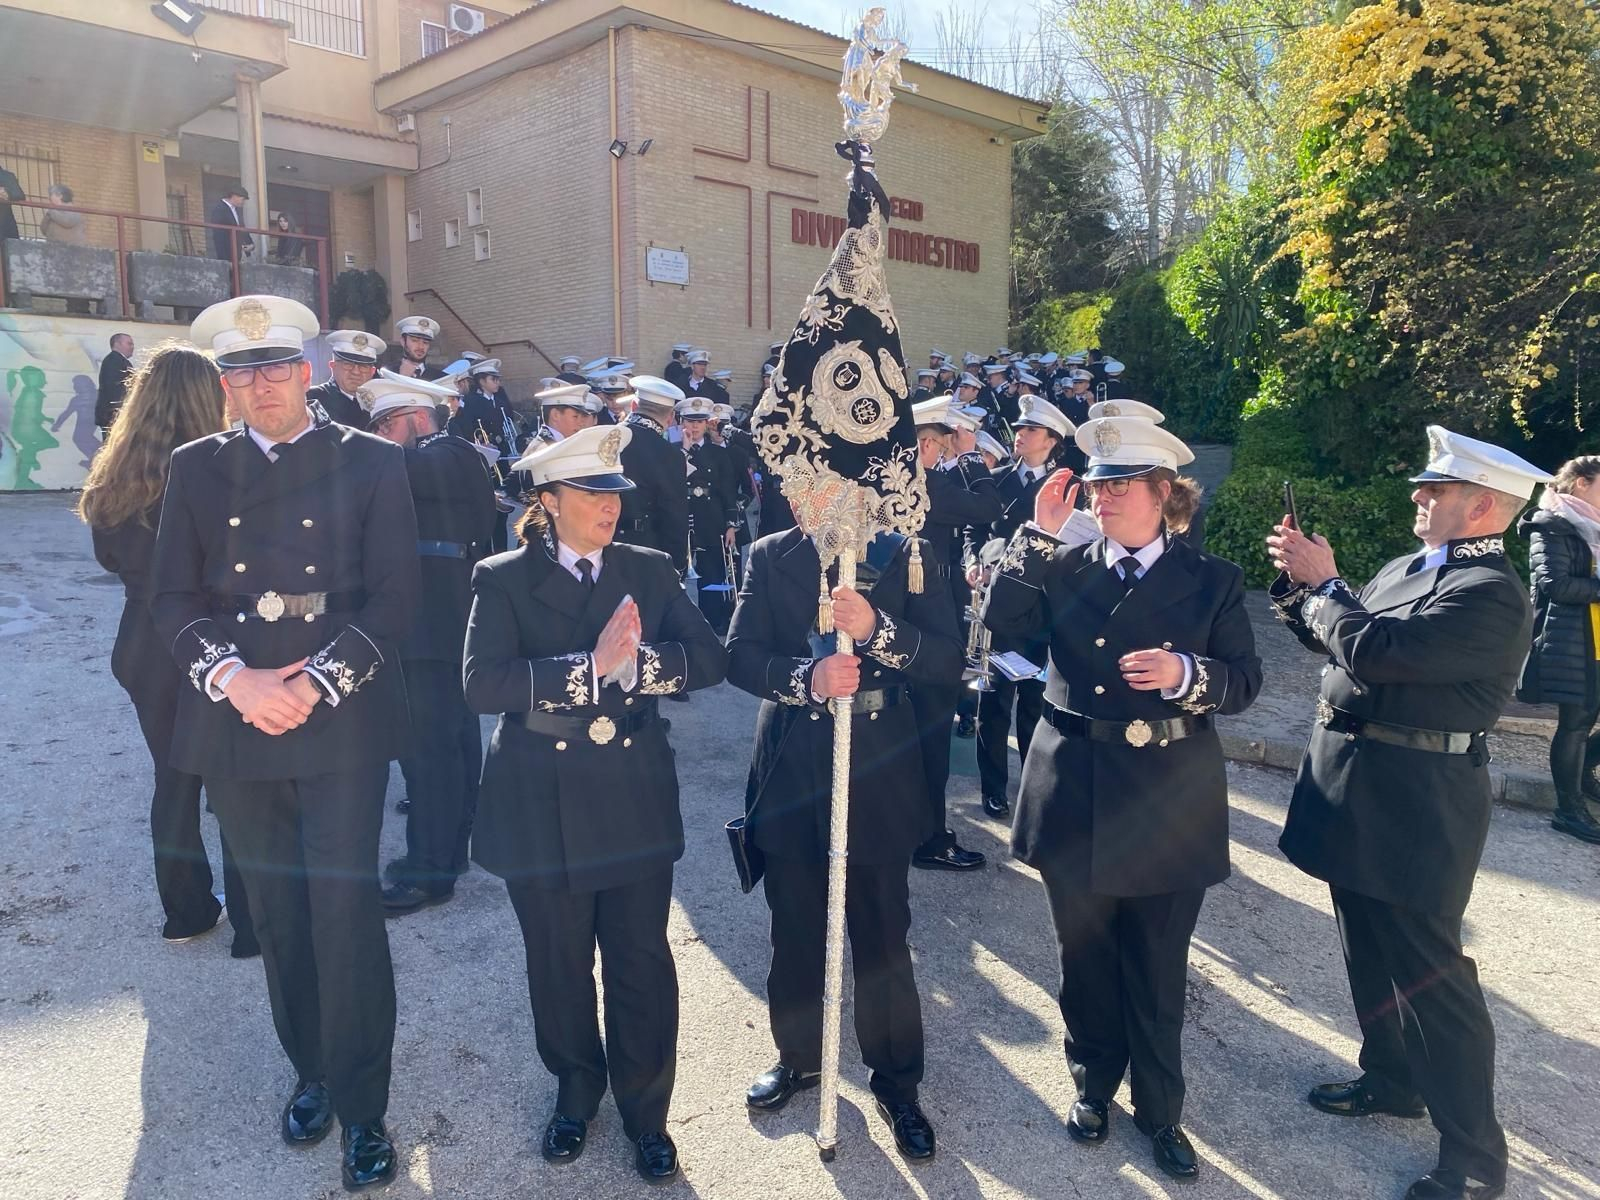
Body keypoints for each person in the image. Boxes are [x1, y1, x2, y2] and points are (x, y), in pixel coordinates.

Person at [149, 294, 420, 1192]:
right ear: (224, 384)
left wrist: (315, 682)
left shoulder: (373, 462)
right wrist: (237, 681)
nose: (259, 385)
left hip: (336, 715)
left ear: (306, 373)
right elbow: (171, 600)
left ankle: (365, 1105)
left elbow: (395, 600)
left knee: (344, 915)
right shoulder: (194, 468)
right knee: (275, 911)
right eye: (240, 371)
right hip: (238, 718)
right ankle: (311, 1071)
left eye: (273, 367)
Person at [1266, 425, 1551, 1200]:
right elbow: (1343, 641)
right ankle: (1391, 1078)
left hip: (1419, 799)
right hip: (1358, 783)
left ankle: (1474, 1158)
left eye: (1437, 489)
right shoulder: (1409, 566)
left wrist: (1328, 588)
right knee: (1366, 946)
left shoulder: (1490, 592)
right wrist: (1303, 591)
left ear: (1483, 505)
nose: (1420, 497)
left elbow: (1380, 652)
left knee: (1433, 976)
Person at [983, 414, 1260, 1182]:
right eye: (1096, 484)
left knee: (1159, 960)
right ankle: (1092, 1086)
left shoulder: (1212, 580)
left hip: (1169, 795)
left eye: (1119, 485)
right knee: (1084, 955)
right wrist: (1034, 542)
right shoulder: (1066, 566)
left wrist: (1184, 677)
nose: (1100, 497)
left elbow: (1245, 682)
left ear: (1163, 493)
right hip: (1074, 780)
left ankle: (1161, 1108)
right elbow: (1002, 633)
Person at [463, 424, 725, 1183]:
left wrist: (635, 668)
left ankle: (647, 1111)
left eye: (614, 493)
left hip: (632, 790)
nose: (609, 507)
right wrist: (588, 669)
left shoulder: (648, 568)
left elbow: (710, 658)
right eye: (590, 492)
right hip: (538, 794)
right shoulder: (502, 576)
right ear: (548, 500)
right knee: (559, 961)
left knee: (641, 960)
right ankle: (576, 1089)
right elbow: (482, 684)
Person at [727, 516, 960, 1164]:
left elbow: (947, 658)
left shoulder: (908, 550)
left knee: (883, 934)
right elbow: (740, 656)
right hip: (794, 765)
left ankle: (897, 1085)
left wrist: (876, 633)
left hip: (879, 763)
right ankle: (800, 1058)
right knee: (795, 929)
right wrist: (809, 677)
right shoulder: (774, 552)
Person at [77, 344, 256, 956]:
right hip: (212, 638)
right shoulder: (221, 468)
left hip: (142, 643)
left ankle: (185, 911)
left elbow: (107, 556)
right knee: (235, 777)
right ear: (210, 397)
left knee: (174, 778)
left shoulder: (117, 470)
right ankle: (254, 924)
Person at [359, 371, 498, 913]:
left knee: (427, 751)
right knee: (454, 738)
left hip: (427, 619)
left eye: (384, 425)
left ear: (417, 417)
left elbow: (378, 471)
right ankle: (452, 847)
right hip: (442, 615)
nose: (381, 438)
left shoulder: (441, 452)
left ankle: (429, 870)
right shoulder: (446, 454)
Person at [973, 397, 1075, 819]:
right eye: (1018, 428)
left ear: (1051, 440)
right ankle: (993, 788)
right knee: (993, 705)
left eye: (1031, 430)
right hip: (999, 604)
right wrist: (974, 561)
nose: (1020, 435)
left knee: (1036, 704)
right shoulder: (996, 478)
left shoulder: (1070, 487)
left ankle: (1035, 787)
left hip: (1040, 611)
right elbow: (973, 529)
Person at [908, 395, 998, 872]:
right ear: (927, 444)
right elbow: (988, 504)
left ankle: (904, 828)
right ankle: (929, 838)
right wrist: (968, 453)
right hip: (932, 624)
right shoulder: (929, 485)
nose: (945, 455)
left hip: (900, 623)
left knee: (902, 738)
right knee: (931, 739)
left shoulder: (889, 481)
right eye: (941, 446)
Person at [1518, 455, 1600, 843]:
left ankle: (1583, 775)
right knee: (1576, 724)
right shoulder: (1551, 524)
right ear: (1582, 482)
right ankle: (1568, 809)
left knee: (1582, 726)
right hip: (1574, 640)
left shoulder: (1595, 526)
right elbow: (1555, 585)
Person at [613, 375, 690, 574]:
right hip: (645, 549)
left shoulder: (602, 438)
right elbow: (675, 514)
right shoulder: (670, 454)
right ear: (671, 417)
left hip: (597, 545)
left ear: (633, 405)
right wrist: (678, 563)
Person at [678, 394, 740, 632]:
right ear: (682, 422)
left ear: (707, 424)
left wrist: (731, 524)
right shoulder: (674, 451)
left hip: (712, 522)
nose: (694, 426)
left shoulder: (718, 454)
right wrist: (684, 451)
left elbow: (728, 489)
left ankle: (712, 622)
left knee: (713, 576)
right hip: (683, 521)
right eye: (689, 421)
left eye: (700, 421)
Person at [307, 330, 385, 428]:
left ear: (372, 371)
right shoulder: (312, 400)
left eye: (363, 366)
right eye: (347, 364)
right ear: (332, 366)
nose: (356, 372)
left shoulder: (381, 405)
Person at [95, 332, 135, 434]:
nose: (132, 347)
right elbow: (115, 389)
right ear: (117, 344)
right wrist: (121, 414)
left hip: (115, 416)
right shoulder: (114, 361)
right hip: (113, 417)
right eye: (129, 343)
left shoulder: (119, 360)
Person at [208, 186, 253, 263]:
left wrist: (250, 244)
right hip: (227, 256)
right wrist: (225, 261)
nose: (243, 202)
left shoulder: (237, 210)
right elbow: (219, 236)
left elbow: (241, 228)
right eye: (242, 199)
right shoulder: (219, 209)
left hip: (237, 255)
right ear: (234, 196)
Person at [390, 315, 443, 379]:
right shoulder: (387, 373)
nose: (421, 346)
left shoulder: (440, 377)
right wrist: (402, 378)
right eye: (415, 340)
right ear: (403, 341)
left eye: (425, 342)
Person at [0, 161, 21, 242]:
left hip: (4, 222)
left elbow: (19, 194)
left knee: (6, 250)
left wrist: (6, 193)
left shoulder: (7, 176)